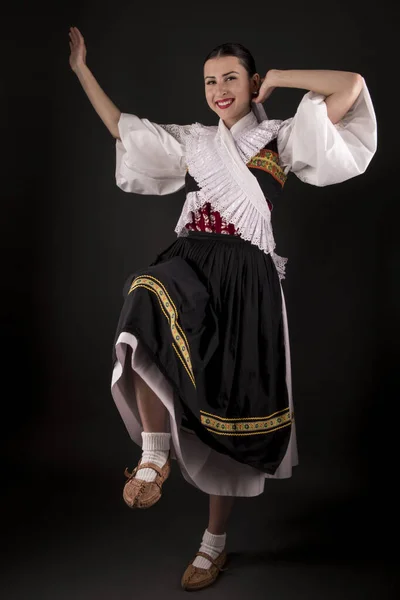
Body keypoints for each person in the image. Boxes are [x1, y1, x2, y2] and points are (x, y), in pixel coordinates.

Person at [69, 26, 377, 591]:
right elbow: (123, 129)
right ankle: (154, 453)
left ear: (251, 82)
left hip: (246, 278)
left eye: (230, 78)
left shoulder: (283, 136)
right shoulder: (194, 140)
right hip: (191, 262)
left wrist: (279, 81)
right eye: (210, 81)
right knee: (144, 298)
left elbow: (351, 86)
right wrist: (82, 70)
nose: (219, 89)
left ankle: (214, 546)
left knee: (226, 406)